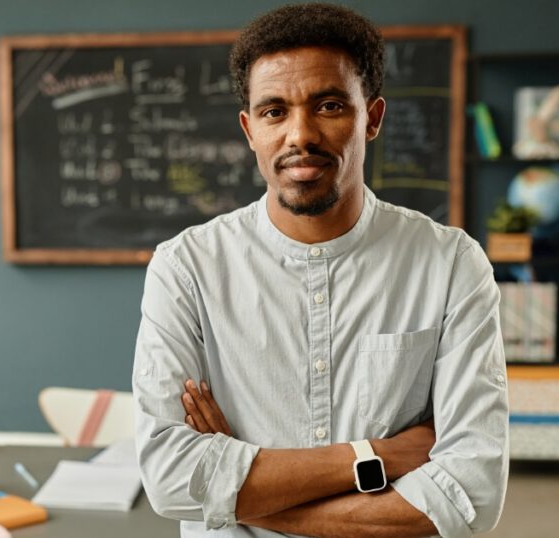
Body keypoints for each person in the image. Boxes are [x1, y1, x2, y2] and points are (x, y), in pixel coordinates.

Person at [132, 4, 508, 537]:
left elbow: (472, 494)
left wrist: (237, 492)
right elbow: (170, 479)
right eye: (273, 112)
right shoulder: (186, 268)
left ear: (371, 117)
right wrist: (376, 456)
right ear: (249, 129)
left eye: (329, 106)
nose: (299, 135)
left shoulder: (450, 264)